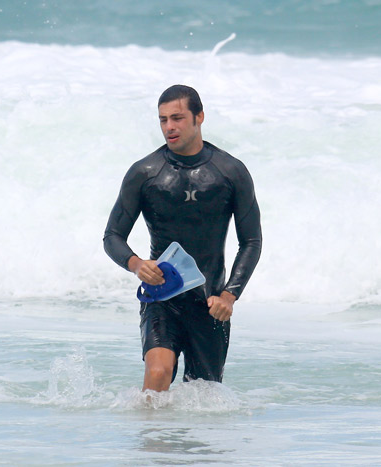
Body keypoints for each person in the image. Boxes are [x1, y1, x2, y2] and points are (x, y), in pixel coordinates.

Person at [103, 85, 262, 392]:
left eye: (177, 118)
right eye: (163, 120)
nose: (169, 127)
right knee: (159, 372)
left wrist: (230, 295)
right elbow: (112, 236)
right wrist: (136, 264)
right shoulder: (145, 173)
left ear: (199, 117)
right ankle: (151, 439)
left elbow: (252, 241)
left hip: (210, 303)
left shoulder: (231, 172)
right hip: (162, 297)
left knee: (203, 400)